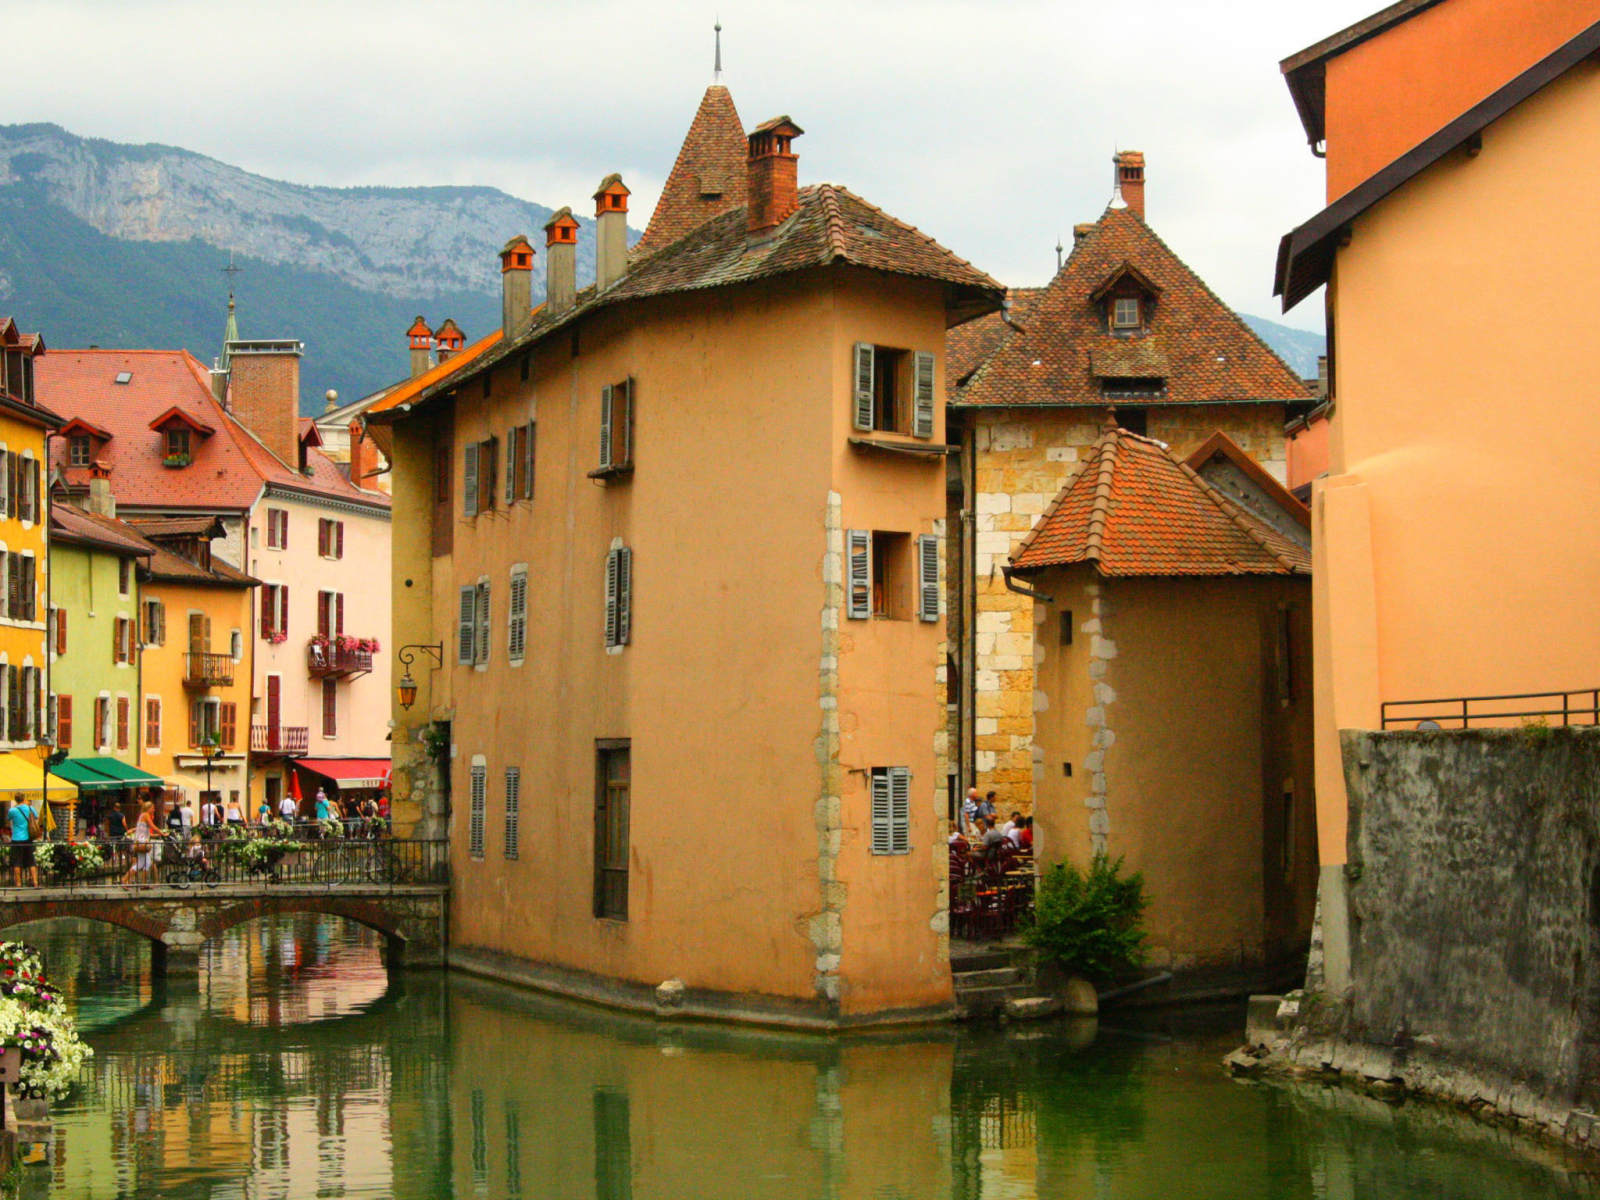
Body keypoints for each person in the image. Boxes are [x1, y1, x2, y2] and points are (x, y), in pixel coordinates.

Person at [123, 799, 163, 885]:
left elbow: (143, 830)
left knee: (141, 863)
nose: (154, 810)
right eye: (152, 808)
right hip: (142, 842)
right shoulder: (145, 815)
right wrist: (162, 833)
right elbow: (153, 826)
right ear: (148, 808)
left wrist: (155, 835)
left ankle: (129, 881)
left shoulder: (142, 815)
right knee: (146, 863)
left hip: (140, 840)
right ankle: (125, 880)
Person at [7, 795, 38, 888]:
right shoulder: (30, 808)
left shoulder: (12, 810)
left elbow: (8, 819)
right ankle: (35, 882)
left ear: (15, 800)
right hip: (28, 838)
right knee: (31, 861)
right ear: (24, 799)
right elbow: (36, 817)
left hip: (16, 839)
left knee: (17, 862)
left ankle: (18, 883)